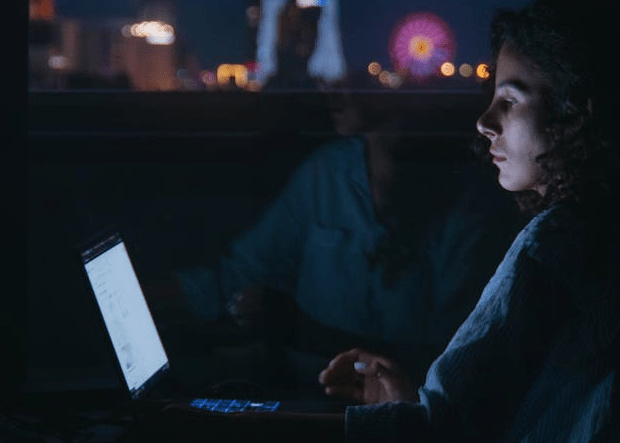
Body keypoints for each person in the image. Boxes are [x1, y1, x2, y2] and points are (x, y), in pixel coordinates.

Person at [125, 0, 620, 443]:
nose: (485, 125)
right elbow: (528, 425)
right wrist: (412, 404)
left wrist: (211, 431)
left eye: (509, 101)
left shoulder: (559, 243)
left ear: (578, 112)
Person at [167, 73, 520, 396]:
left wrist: (303, 330)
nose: (332, 87)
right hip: (304, 391)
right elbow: (237, 275)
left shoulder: (468, 203)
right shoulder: (327, 173)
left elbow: (453, 355)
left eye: (353, 73)